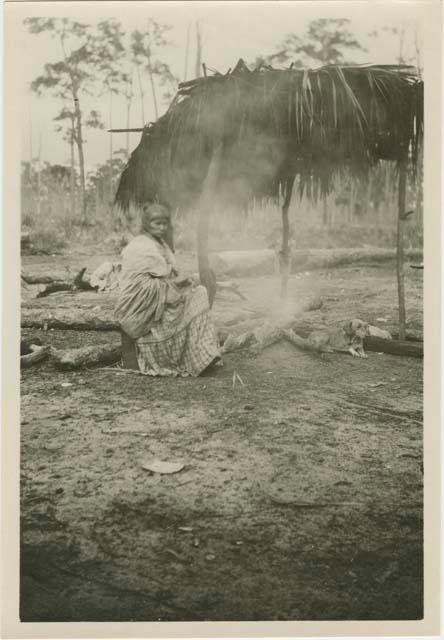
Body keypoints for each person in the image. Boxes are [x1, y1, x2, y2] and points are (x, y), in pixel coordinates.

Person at [114, 202, 221, 377]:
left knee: (198, 292)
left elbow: (170, 272)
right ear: (147, 224)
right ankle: (191, 356)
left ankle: (203, 354)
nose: (162, 227)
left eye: (165, 223)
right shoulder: (142, 245)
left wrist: (182, 280)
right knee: (198, 294)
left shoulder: (159, 243)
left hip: (158, 293)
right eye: (157, 223)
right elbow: (160, 277)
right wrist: (182, 281)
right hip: (142, 302)